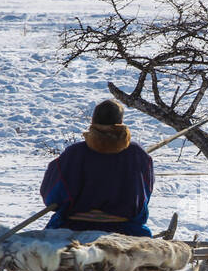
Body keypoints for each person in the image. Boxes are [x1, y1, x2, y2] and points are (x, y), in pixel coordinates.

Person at [40, 99, 154, 236]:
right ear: (121, 122)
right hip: (125, 229)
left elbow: (52, 197)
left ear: (93, 121)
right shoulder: (138, 154)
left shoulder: (74, 153)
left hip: (73, 228)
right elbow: (144, 197)